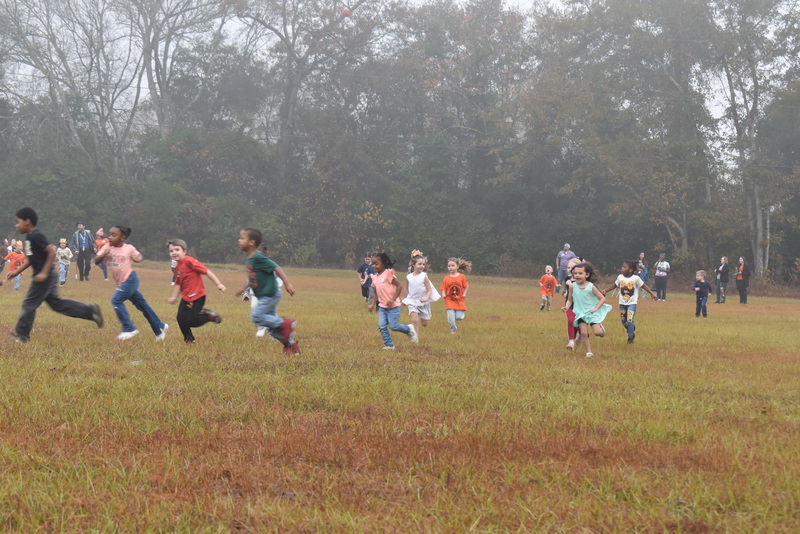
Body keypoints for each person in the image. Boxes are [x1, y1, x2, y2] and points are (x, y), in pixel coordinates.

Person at [7, 207, 103, 343]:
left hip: (44, 276)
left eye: (18, 222)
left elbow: (51, 252)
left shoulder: (36, 236)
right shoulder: (28, 239)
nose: (17, 226)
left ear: (27, 221)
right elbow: (30, 258)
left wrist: (44, 273)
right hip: (47, 275)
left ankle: (22, 335)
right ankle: (91, 312)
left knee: (29, 303)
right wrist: (16, 271)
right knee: (57, 304)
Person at [94, 226, 168, 341]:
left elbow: (139, 256)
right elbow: (96, 260)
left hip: (130, 280)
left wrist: (138, 259)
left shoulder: (129, 248)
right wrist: (103, 255)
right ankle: (159, 326)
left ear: (122, 238)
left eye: (114, 235)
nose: (110, 237)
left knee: (116, 300)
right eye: (110, 234)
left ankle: (129, 328)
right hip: (121, 283)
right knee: (143, 306)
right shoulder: (107, 247)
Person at [236, 227, 300, 355]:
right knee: (271, 329)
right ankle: (291, 346)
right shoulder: (250, 259)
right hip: (264, 296)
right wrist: (243, 289)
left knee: (256, 316)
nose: (239, 240)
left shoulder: (258, 257)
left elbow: (276, 267)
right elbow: (251, 278)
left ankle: (286, 323)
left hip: (270, 294)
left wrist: (287, 283)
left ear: (251, 242)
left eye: (242, 238)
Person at [167, 238, 226, 343]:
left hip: (198, 296)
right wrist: (174, 297)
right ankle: (189, 340)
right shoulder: (177, 267)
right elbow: (178, 283)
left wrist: (219, 284)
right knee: (180, 318)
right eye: (171, 251)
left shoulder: (190, 261)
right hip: (186, 297)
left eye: (177, 250)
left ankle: (209, 316)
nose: (174, 253)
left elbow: (206, 271)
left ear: (184, 251)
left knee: (191, 321)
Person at [368, 252, 418, 349]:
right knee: (381, 325)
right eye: (372, 264)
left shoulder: (388, 274)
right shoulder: (375, 278)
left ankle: (409, 329)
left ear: (383, 263)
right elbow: (376, 292)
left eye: (376, 264)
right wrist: (372, 304)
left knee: (394, 326)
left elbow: (399, 286)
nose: (374, 266)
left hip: (393, 307)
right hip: (382, 307)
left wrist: (393, 299)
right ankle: (389, 345)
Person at [561, 262, 611, 358]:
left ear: (587, 275)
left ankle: (601, 329)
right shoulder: (572, 286)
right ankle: (589, 352)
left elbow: (602, 298)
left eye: (580, 273)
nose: (577, 275)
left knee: (597, 332)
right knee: (583, 333)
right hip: (580, 313)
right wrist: (566, 307)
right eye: (575, 273)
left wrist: (596, 308)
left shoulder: (591, 286)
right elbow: (570, 299)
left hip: (592, 312)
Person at [603, 260, 655, 344]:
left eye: (624, 267)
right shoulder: (620, 277)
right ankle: (631, 328)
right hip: (622, 303)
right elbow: (615, 285)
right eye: (622, 267)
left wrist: (652, 293)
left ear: (630, 270)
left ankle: (630, 338)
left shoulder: (636, 278)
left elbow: (643, 285)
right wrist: (605, 290)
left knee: (629, 320)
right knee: (624, 321)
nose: (622, 268)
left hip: (632, 303)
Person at [402, 254, 439, 339]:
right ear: (413, 265)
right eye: (419, 264)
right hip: (412, 301)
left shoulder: (424, 276)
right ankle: (415, 338)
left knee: (424, 323)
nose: (422, 266)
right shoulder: (409, 277)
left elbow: (429, 290)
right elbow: (406, 289)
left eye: (423, 264)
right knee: (414, 320)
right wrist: (404, 300)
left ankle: (423, 321)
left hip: (423, 301)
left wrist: (426, 298)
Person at [440, 257, 471, 334]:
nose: (450, 267)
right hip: (449, 300)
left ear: (457, 266)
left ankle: (457, 318)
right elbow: (443, 287)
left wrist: (464, 293)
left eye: (452, 265)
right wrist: (443, 294)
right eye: (449, 266)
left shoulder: (461, 277)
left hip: (459, 300)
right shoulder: (446, 278)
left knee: (458, 317)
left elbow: (466, 286)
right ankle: (453, 330)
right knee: (451, 317)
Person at [562, 258, 582, 350]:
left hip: (581, 306)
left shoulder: (582, 280)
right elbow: (567, 291)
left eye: (572, 268)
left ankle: (581, 335)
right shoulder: (567, 279)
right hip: (570, 305)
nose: (569, 269)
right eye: (568, 267)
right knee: (570, 321)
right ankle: (571, 342)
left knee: (579, 323)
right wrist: (565, 294)